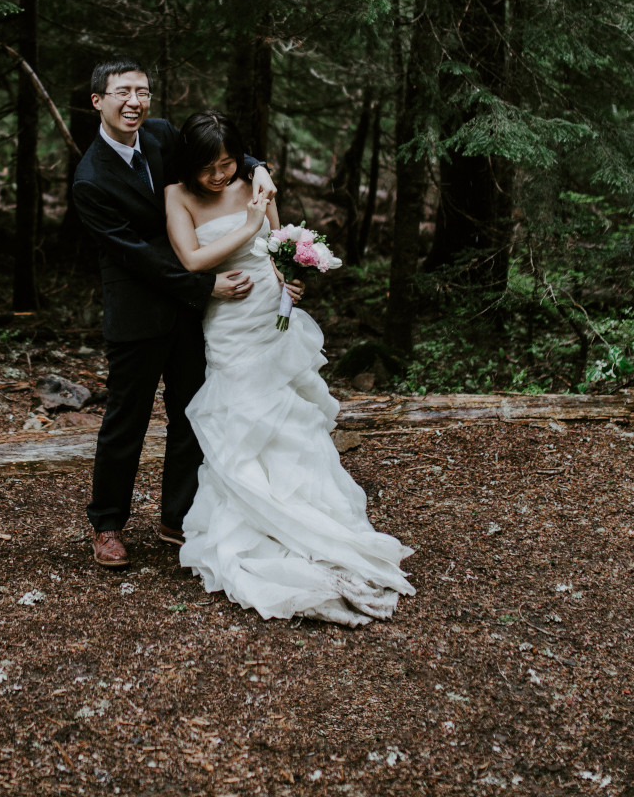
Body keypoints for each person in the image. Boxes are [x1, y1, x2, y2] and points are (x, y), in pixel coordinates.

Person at [164, 110, 414, 626]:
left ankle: (311, 516)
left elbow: (276, 245)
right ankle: (255, 521)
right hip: (227, 321)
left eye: (229, 164)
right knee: (240, 413)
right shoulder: (178, 195)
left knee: (290, 414)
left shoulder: (255, 180)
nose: (221, 176)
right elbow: (191, 259)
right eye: (210, 168)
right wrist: (252, 224)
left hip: (269, 314)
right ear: (191, 165)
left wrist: (289, 280)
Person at [69, 61, 288, 569]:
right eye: (122, 93)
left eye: (142, 92)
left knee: (192, 413)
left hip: (193, 312)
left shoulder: (163, 134)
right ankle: (106, 524)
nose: (134, 102)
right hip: (141, 310)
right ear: (97, 101)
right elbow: (137, 255)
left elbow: (220, 151)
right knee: (127, 419)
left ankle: (178, 517)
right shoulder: (90, 179)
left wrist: (257, 168)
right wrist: (205, 283)